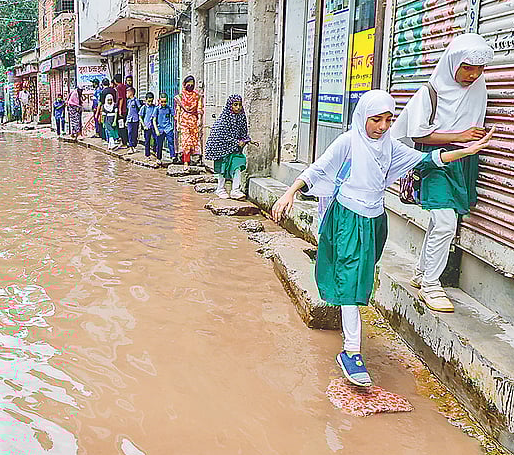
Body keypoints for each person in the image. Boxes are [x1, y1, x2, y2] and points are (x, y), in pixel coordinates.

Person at [271, 90, 495, 387]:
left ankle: (349, 331)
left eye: (389, 120)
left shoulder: (390, 146)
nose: (383, 126)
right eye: (376, 119)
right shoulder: (348, 142)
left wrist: (466, 151)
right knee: (351, 282)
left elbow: (428, 160)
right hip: (347, 220)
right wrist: (290, 192)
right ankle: (351, 352)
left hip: (375, 221)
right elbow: (318, 169)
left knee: (360, 278)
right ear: (363, 117)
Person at [393, 33, 494, 314]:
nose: (473, 75)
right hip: (436, 162)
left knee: (443, 222)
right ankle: (431, 285)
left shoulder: (478, 89)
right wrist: (460, 135)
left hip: (463, 161)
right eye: (467, 68)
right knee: (446, 222)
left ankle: (422, 272)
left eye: (479, 69)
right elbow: (416, 133)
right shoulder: (431, 91)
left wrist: (473, 140)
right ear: (453, 63)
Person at [205, 95, 251, 199]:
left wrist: (245, 140)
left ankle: (235, 190)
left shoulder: (242, 117)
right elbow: (221, 135)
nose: (238, 107)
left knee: (237, 166)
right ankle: (220, 189)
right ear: (230, 105)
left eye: (239, 105)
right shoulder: (224, 119)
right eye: (235, 105)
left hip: (235, 150)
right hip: (221, 149)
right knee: (222, 169)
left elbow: (243, 132)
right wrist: (236, 142)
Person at [176, 75, 203, 165]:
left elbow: (199, 108)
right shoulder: (180, 97)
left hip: (193, 121)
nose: (190, 86)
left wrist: (199, 119)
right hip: (184, 120)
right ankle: (186, 162)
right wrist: (178, 123)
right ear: (184, 84)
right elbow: (178, 110)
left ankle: (194, 160)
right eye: (189, 84)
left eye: (192, 85)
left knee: (193, 141)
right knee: (186, 141)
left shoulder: (197, 96)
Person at [154, 92, 176, 162]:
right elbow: (154, 120)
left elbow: (174, 116)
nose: (163, 103)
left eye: (165, 102)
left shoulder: (169, 108)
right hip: (160, 129)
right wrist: (156, 130)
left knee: (171, 142)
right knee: (159, 144)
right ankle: (158, 158)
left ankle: (172, 156)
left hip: (168, 128)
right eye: (162, 102)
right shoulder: (157, 109)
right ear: (159, 101)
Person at [124, 86, 142, 150]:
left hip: (135, 119)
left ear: (131, 93)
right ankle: (131, 146)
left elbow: (140, 109)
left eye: (127, 93)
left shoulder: (136, 100)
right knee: (129, 132)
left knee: (134, 133)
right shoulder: (128, 101)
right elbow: (129, 111)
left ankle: (134, 145)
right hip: (129, 119)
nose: (126, 94)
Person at [141, 92, 157, 158]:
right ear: (146, 100)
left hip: (153, 126)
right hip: (147, 127)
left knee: (155, 139)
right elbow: (140, 117)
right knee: (147, 141)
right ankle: (147, 155)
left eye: (151, 101)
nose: (150, 103)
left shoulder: (155, 107)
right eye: (149, 101)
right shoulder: (144, 108)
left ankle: (154, 150)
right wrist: (144, 125)